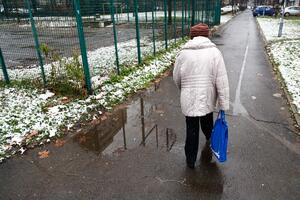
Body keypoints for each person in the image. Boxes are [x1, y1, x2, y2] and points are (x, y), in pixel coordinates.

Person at [173, 23, 229, 169]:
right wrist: (223, 104)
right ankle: (209, 138)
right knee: (207, 120)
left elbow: (176, 77)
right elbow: (221, 80)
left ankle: (190, 161)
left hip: (189, 98)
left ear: (191, 36)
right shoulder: (215, 53)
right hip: (207, 97)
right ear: (207, 35)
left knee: (191, 130)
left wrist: (184, 89)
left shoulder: (183, 53)